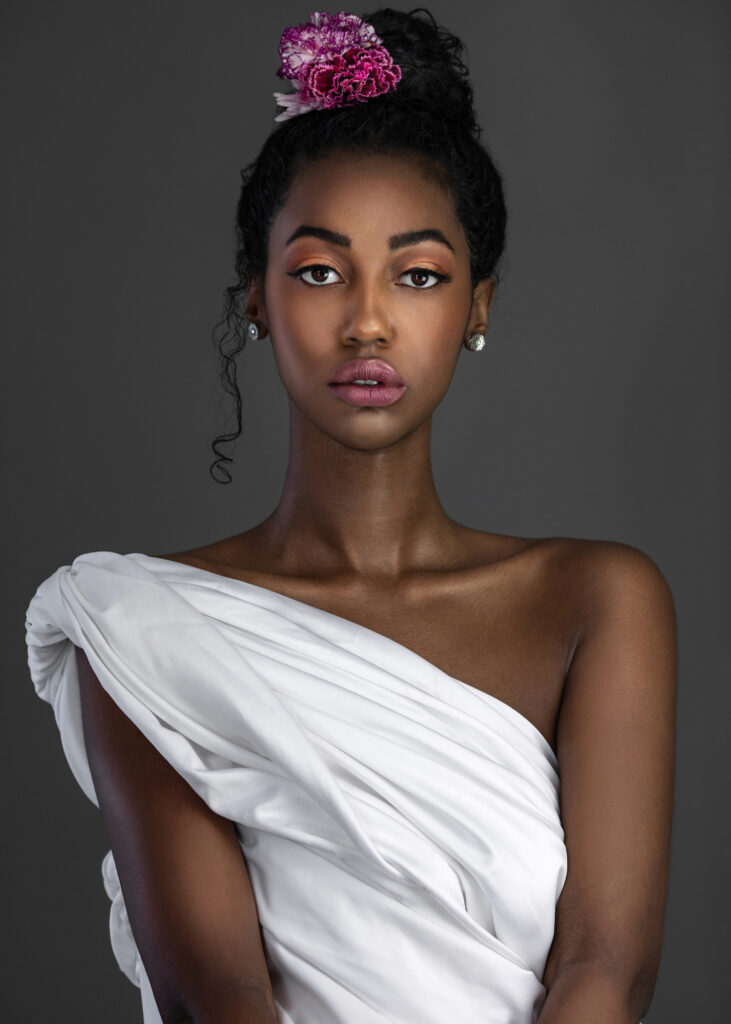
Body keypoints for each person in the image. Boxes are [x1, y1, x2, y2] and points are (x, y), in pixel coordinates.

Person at [24, 7, 677, 1024]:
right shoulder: (146, 629)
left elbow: (606, 966)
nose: (367, 320)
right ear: (257, 299)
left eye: (417, 276)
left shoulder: (597, 601)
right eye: (319, 272)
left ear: (475, 306)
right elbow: (215, 994)